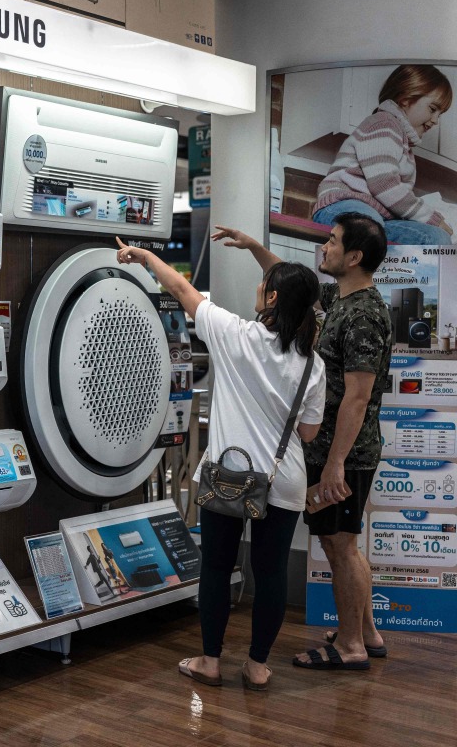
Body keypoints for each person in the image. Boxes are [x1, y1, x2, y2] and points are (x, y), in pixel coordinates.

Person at [115, 237, 325, 690]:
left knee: (215, 567)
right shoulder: (313, 363)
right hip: (282, 480)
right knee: (270, 574)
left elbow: (181, 290)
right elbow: (308, 433)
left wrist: (146, 256)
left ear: (271, 297)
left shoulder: (234, 334)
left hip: (226, 476)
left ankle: (210, 661)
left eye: (263, 283)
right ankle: (258, 666)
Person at [214, 216, 392, 671]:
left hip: (343, 454)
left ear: (354, 257)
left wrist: (335, 465)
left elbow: (357, 397)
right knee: (342, 542)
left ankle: (350, 644)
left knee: (340, 545)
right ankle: (366, 631)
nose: (324, 247)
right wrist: (253, 244)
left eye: (333, 242)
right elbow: (293, 285)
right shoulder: (338, 297)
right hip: (327, 449)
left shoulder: (366, 314)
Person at [311, 64, 455, 245]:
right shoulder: (384, 124)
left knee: (436, 239)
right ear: (406, 98)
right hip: (343, 206)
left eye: (440, 114)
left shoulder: (403, 143)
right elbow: (384, 183)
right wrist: (431, 217)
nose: (435, 121)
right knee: (366, 227)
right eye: (433, 109)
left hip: (377, 220)